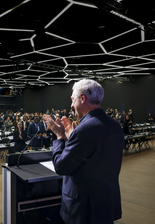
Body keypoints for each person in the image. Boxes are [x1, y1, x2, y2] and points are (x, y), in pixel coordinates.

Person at [46, 79, 124, 224]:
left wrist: (60, 137)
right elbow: (95, 158)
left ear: (82, 98)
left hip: (83, 209)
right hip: (106, 203)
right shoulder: (115, 125)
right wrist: (72, 138)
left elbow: (61, 166)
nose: (71, 105)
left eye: (73, 99)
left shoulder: (84, 130)